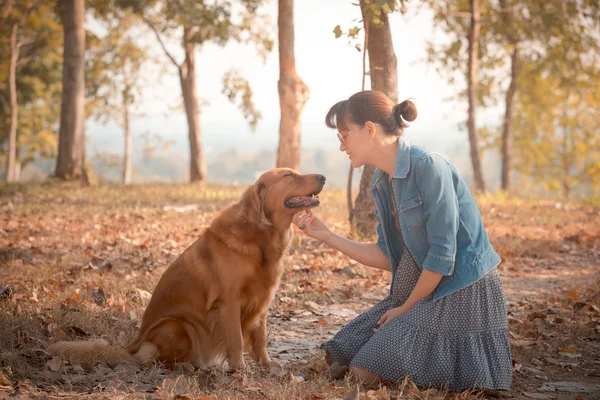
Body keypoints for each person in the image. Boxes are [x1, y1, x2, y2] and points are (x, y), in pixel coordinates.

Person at [292, 90, 512, 391]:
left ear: (369, 129)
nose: (341, 145)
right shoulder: (382, 181)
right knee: (338, 353)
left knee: (363, 372)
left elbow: (442, 256)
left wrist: (406, 307)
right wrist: (327, 235)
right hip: (424, 287)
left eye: (344, 135)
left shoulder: (429, 167)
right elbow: (387, 254)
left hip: (460, 290)